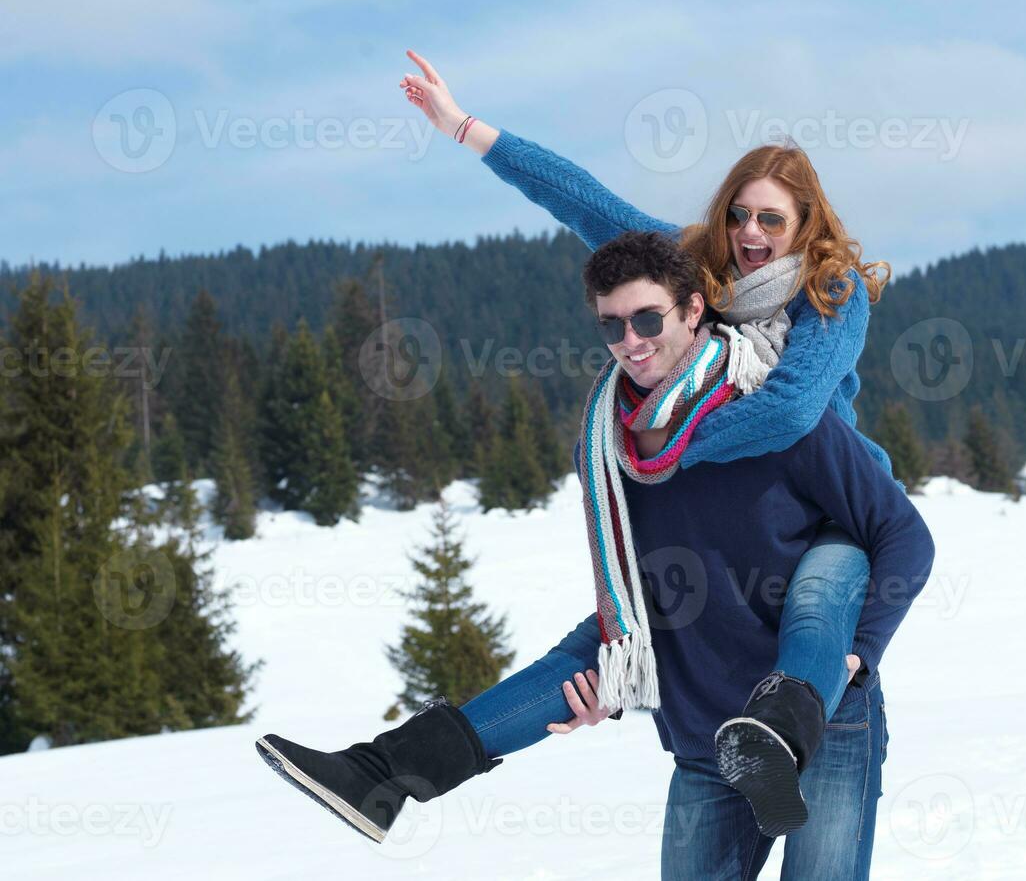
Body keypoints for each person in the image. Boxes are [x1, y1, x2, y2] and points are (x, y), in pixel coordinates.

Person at [256, 233, 935, 878]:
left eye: (646, 319)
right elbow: (646, 600)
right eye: (611, 326)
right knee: (592, 650)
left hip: (823, 722)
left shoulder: (781, 415)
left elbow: (902, 537)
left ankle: (780, 724)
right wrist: (612, 690)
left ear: (694, 309)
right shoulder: (612, 449)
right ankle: (383, 774)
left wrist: (858, 652)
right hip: (706, 736)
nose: (630, 343)